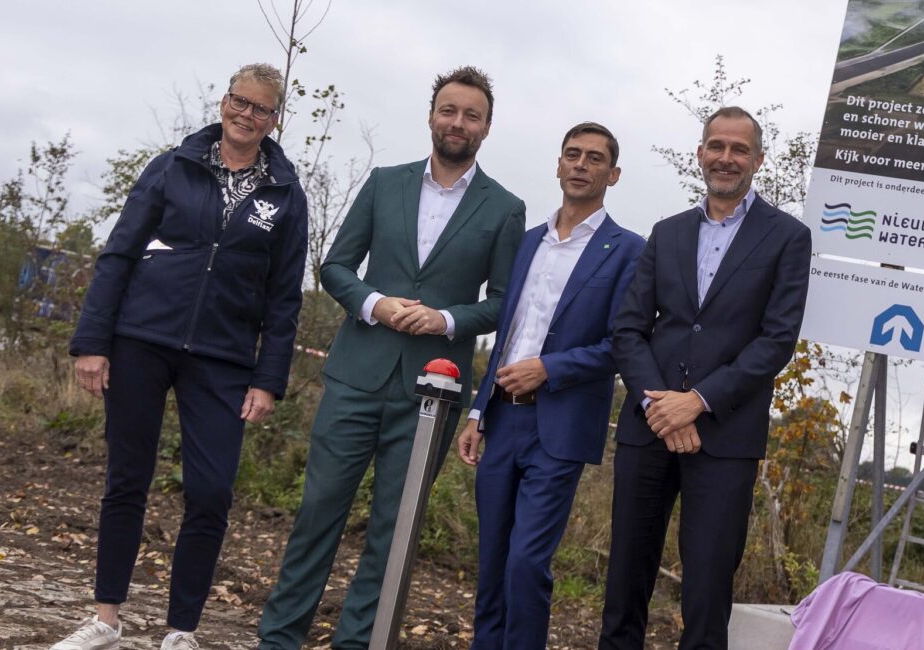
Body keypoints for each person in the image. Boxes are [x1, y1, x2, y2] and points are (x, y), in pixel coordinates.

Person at [257, 67, 525, 649]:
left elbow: (503, 302)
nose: (458, 122)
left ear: (486, 127)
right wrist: (374, 304)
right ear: (431, 116)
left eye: (472, 115)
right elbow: (335, 266)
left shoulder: (505, 208)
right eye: (449, 110)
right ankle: (278, 639)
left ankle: (358, 643)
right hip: (356, 377)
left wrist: (446, 319)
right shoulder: (384, 183)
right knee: (317, 515)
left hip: (433, 393)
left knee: (393, 532)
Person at [57, 63, 308, 650]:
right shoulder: (172, 165)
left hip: (223, 359)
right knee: (127, 479)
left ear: (275, 120)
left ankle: (181, 632)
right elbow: (119, 253)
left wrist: (269, 379)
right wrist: (92, 342)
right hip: (141, 339)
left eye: (261, 108)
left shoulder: (286, 194)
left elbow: (284, 296)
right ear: (224, 102)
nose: (246, 115)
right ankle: (106, 619)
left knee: (212, 491)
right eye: (239, 101)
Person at [600, 106, 812, 649]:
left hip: (725, 436)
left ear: (758, 160)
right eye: (716, 146)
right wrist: (660, 407)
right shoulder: (666, 232)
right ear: (700, 153)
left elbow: (776, 341)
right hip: (649, 427)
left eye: (739, 149)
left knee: (706, 593)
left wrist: (696, 401)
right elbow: (628, 328)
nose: (726, 157)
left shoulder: (788, 237)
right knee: (624, 586)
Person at [456, 121, 645, 649]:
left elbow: (621, 343)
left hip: (559, 427)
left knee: (526, 563)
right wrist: (477, 412)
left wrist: (549, 368)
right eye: (572, 154)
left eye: (594, 158)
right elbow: (508, 334)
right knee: (492, 560)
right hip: (501, 418)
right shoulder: (527, 242)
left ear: (613, 174)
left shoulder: (629, 250)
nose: (581, 165)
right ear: (558, 164)